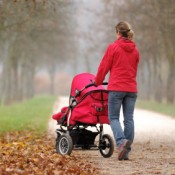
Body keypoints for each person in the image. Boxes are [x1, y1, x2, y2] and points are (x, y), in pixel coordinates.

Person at [94, 21, 139, 160]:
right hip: (131, 89)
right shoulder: (135, 50)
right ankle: (125, 151)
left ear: (118, 33)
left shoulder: (113, 47)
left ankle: (121, 143)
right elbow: (133, 70)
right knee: (129, 119)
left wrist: (97, 82)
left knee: (113, 117)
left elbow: (104, 66)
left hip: (116, 88)